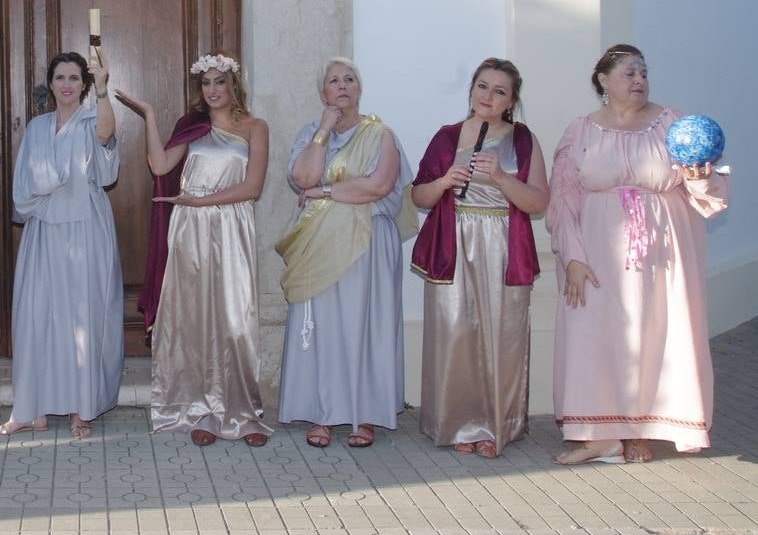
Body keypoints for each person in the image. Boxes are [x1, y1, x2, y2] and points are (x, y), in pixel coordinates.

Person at [548, 44, 730, 465]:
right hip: (598, 251)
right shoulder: (581, 131)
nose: (639, 81)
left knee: (656, 333)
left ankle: (643, 428)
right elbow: (563, 198)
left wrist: (700, 178)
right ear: (603, 81)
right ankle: (603, 435)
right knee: (598, 335)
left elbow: (701, 189)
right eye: (629, 73)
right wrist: (573, 257)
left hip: (663, 253)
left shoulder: (672, 123)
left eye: (643, 72)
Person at [117, 52, 273, 447]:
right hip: (191, 230)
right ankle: (202, 409)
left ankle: (243, 412)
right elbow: (159, 165)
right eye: (206, 83)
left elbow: (252, 187)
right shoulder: (192, 127)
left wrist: (201, 202)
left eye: (220, 81)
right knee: (196, 319)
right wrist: (150, 115)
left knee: (235, 319)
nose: (213, 90)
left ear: (234, 84)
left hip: (232, 223)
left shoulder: (255, 127)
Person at [410, 57, 548, 458]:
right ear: (471, 90)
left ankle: (495, 426)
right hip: (454, 241)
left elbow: (538, 201)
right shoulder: (448, 136)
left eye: (499, 91)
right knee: (455, 333)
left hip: (503, 245)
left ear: (511, 101)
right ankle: (456, 423)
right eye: (482, 86)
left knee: (501, 336)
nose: (488, 96)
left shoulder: (523, 140)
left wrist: (503, 178)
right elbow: (419, 196)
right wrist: (443, 182)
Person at [277, 57, 416, 449]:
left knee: (363, 325)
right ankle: (323, 413)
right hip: (319, 242)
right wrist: (322, 131)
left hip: (367, 240)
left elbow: (376, 186)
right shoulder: (310, 132)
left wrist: (323, 191)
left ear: (359, 89)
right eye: (333, 81)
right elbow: (302, 177)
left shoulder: (380, 134)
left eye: (349, 79)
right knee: (321, 327)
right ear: (324, 93)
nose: (342, 86)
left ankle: (364, 414)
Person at [0, 50, 123, 439]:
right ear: (50, 84)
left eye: (74, 78)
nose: (67, 84)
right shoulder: (36, 127)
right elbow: (23, 182)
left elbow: (105, 138)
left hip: (84, 230)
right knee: (38, 316)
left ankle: (80, 410)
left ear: (83, 84)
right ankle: (30, 408)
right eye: (60, 77)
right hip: (44, 231)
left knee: (81, 319)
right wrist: (43, 192)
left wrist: (103, 93)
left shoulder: (91, 118)